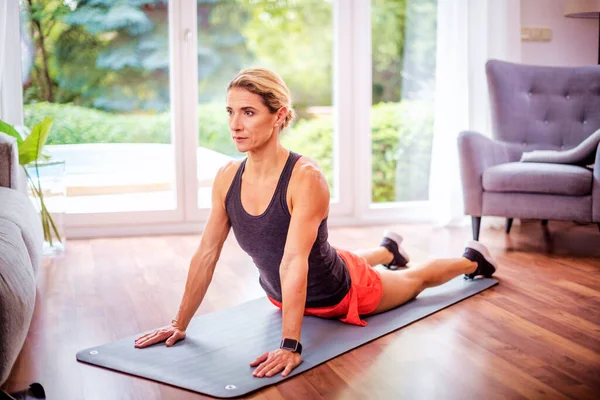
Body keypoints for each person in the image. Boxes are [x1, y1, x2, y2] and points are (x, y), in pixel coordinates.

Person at [134, 68, 498, 378]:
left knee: (411, 279)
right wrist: (178, 323)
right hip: (283, 293)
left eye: (248, 112)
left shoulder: (304, 177)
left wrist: (290, 345)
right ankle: (387, 250)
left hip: (339, 292)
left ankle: (473, 259)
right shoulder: (227, 176)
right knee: (327, 252)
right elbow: (206, 252)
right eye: (230, 111)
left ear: (279, 116)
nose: (234, 125)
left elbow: (295, 261)